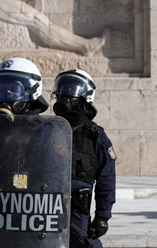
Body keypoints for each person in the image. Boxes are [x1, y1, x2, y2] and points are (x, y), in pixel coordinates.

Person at [0, 58, 73, 247]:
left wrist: (19, 196)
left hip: (30, 226)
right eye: (2, 87)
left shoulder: (48, 130)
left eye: (14, 88)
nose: (7, 94)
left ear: (32, 90)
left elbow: (56, 183)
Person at [51, 69, 116, 248]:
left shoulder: (96, 136)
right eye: (62, 88)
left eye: (71, 89)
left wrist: (103, 216)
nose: (64, 93)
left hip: (78, 209)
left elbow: (107, 179)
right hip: (46, 205)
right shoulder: (47, 130)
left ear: (86, 95)